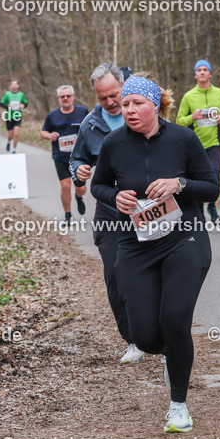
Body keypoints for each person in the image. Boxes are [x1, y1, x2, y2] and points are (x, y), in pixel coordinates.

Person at [91, 74, 219, 432]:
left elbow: (211, 188)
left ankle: (178, 405)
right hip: (136, 243)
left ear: (155, 106)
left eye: (137, 103)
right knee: (145, 335)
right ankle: (172, 356)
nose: (129, 110)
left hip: (184, 238)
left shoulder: (183, 138)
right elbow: (98, 185)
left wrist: (179, 184)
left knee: (175, 320)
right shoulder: (114, 143)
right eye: (126, 103)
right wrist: (114, 197)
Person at [71, 62, 142, 364]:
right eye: (103, 98)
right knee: (115, 274)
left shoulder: (144, 110)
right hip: (110, 211)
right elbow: (75, 160)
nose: (111, 102)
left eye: (115, 94)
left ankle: (163, 337)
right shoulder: (90, 125)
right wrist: (80, 171)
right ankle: (134, 340)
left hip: (146, 208)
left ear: (124, 85)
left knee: (153, 274)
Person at [176, 59, 220, 224]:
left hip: (214, 142)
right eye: (199, 70)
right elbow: (179, 120)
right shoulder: (189, 96)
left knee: (215, 174)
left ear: (210, 74)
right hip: (195, 144)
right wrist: (193, 117)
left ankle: (212, 207)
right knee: (198, 180)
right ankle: (199, 213)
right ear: (195, 75)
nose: (202, 72)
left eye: (205, 69)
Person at [41, 85, 88, 219]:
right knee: (65, 185)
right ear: (58, 99)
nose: (65, 98)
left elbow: (91, 127)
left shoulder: (82, 112)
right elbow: (43, 131)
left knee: (81, 189)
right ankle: (68, 215)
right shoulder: (53, 115)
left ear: (73, 97)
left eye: (68, 96)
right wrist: (48, 136)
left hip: (79, 156)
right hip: (60, 155)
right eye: (63, 96)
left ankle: (79, 198)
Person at [0, 79, 28, 153]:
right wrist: (7, 106)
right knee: (11, 135)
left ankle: (14, 150)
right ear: (10, 86)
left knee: (16, 134)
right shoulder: (7, 94)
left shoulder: (21, 94)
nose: (14, 85)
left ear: (18, 86)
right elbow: (1, 103)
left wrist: (23, 105)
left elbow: (26, 103)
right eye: (12, 84)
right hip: (9, 116)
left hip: (18, 116)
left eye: (15, 84)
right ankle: (9, 142)